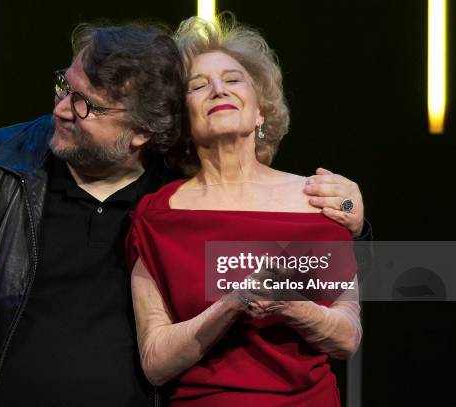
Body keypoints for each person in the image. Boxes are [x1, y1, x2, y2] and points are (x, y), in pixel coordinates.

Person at [0, 20, 369, 407]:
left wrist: (355, 220)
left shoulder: (173, 195)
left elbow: (322, 271)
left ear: (140, 134)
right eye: (64, 87)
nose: (62, 110)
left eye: (86, 105)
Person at [128, 16, 363, 406]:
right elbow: (155, 361)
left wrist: (290, 305)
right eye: (198, 86)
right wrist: (232, 303)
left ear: (260, 112)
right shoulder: (156, 215)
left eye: (233, 80)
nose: (218, 89)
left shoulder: (318, 200)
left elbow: (347, 336)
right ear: (184, 120)